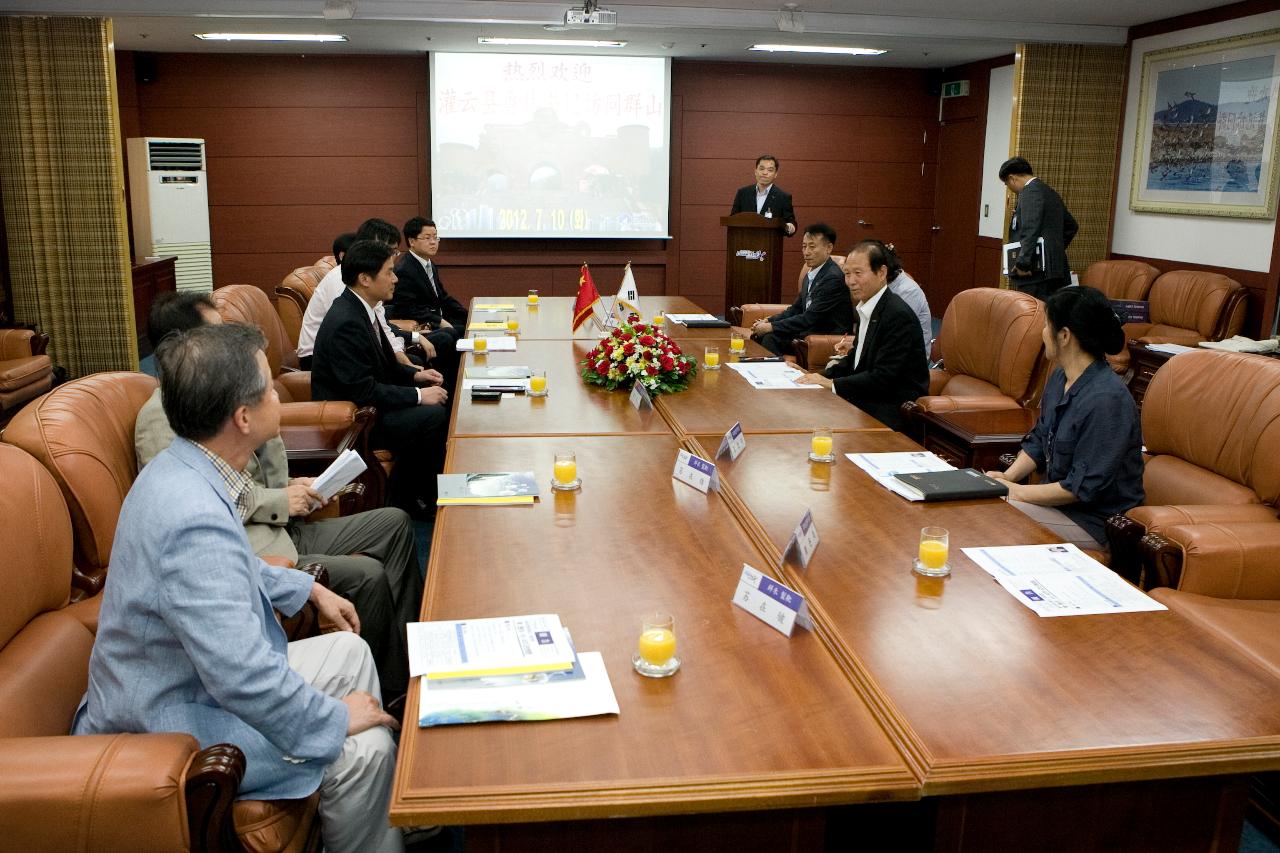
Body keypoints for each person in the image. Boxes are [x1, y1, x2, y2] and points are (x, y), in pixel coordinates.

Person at [74, 322, 405, 853]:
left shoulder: (184, 468)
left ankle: (371, 811)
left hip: (185, 681)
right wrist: (337, 718)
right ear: (244, 417)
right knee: (364, 748)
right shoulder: (191, 514)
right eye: (268, 388)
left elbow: (224, 567)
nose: (279, 392)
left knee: (348, 649)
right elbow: (242, 677)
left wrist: (306, 589)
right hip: (170, 718)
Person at [134, 292, 418, 701]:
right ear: (187, 346)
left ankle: (406, 652)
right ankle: (390, 689)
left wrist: (290, 488)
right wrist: (279, 500)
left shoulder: (227, 396)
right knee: (367, 576)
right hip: (260, 545)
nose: (231, 343)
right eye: (219, 334)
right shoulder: (164, 418)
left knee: (391, 523)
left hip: (283, 526)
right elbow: (204, 501)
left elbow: (239, 478)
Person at [986, 285, 1143, 552]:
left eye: (1047, 326)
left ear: (1065, 335)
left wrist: (1013, 492)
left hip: (1094, 521)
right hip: (1057, 507)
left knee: (995, 514)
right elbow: (1038, 440)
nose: (1042, 333)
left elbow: (1079, 489)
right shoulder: (1060, 377)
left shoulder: (1107, 399)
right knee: (982, 503)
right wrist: (1007, 477)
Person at [312, 240, 450, 519]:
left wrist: (416, 375)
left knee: (433, 399)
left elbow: (385, 365)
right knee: (432, 416)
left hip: (369, 404)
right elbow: (362, 390)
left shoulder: (364, 308)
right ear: (365, 278)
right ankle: (413, 499)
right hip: (355, 419)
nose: (396, 279)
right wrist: (419, 396)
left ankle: (419, 491)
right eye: (389, 272)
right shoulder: (346, 321)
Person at [797, 240, 928, 431]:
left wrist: (831, 383)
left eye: (858, 273)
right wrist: (813, 377)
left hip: (890, 407)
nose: (851, 281)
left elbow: (883, 377)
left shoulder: (897, 315)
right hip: (867, 397)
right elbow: (856, 361)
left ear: (881, 273)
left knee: (817, 423)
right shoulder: (869, 306)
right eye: (847, 274)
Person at [297, 218, 435, 370]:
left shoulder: (369, 277)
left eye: (394, 251)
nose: (392, 257)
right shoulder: (343, 278)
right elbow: (355, 333)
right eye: (388, 250)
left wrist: (406, 364)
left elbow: (381, 328)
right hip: (320, 358)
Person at [749, 222, 851, 356]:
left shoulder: (833, 278)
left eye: (812, 247)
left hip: (825, 334)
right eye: (804, 246)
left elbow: (810, 318)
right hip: (810, 328)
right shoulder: (811, 273)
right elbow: (796, 309)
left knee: (770, 337)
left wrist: (771, 327)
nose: (806, 252)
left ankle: (778, 375)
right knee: (760, 335)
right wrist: (768, 320)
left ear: (829, 248)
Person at [387, 217, 465, 388]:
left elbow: (442, 297)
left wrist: (467, 315)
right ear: (412, 241)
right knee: (450, 334)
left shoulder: (429, 264)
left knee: (465, 326)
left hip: (434, 319)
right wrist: (440, 321)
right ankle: (451, 387)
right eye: (427, 238)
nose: (433, 242)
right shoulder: (405, 269)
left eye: (435, 237)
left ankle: (463, 380)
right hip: (421, 324)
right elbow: (407, 308)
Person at [999, 156, 1079, 301]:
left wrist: (1023, 263)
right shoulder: (1048, 191)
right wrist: (1054, 248)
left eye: (1006, 184)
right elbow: (1072, 226)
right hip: (1054, 270)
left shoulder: (1030, 192)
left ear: (1012, 178)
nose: (1009, 188)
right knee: (1050, 316)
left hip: (1034, 272)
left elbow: (1030, 229)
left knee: (1033, 317)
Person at [730, 154, 796, 236]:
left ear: (776, 174)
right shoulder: (743, 193)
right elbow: (732, 219)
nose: (765, 173)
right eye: (761, 169)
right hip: (743, 244)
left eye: (770, 170)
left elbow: (791, 223)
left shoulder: (783, 197)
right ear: (755, 171)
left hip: (770, 244)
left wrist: (789, 227)